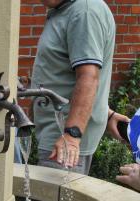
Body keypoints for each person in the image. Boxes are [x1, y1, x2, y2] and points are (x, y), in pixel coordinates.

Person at [32, 0, 127, 175]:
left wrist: (72, 135)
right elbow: (71, 77)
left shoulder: (84, 12)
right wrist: (105, 114)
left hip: (62, 142)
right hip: (59, 135)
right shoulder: (71, 9)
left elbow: (88, 77)